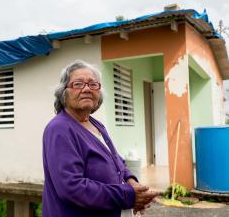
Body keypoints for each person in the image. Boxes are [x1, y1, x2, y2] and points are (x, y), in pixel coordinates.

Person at [42, 60, 158, 217]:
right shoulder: (60, 129)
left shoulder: (96, 124)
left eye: (93, 84)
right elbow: (72, 188)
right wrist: (129, 196)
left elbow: (116, 160)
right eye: (78, 84)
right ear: (64, 92)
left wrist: (133, 183)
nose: (87, 89)